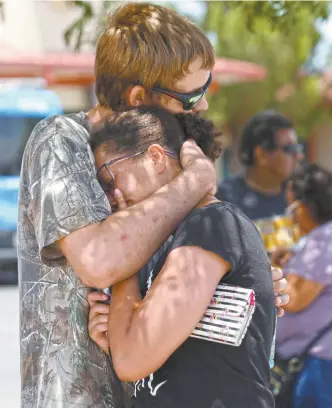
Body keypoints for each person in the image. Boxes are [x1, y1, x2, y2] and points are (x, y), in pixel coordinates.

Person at [18, 3, 288, 407]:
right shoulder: (63, 140)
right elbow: (99, 258)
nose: (203, 106)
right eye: (191, 94)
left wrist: (246, 288)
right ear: (139, 97)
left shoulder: (159, 175)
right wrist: (195, 181)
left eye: (207, 87)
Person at [88, 105, 275, 408]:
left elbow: (131, 360)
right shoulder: (163, 241)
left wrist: (123, 253)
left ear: (156, 158)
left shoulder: (212, 225)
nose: (109, 197)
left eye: (109, 179)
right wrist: (117, 334)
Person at [272, 164, 332, 408]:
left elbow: (293, 298)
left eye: (292, 207)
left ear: (308, 205)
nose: (291, 217)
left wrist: (264, 269)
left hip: (319, 363)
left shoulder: (324, 240)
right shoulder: (319, 239)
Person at [216, 110, 304, 253]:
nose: (299, 156)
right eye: (290, 148)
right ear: (261, 154)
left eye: (298, 147)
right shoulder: (225, 200)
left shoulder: (304, 195)